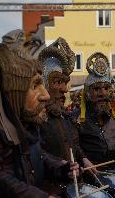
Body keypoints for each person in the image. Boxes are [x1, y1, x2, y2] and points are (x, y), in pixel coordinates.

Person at [0, 31, 79, 198]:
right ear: (16, 91)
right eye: (36, 85)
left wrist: (60, 168)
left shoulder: (25, 120)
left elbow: (36, 154)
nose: (46, 95)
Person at [39, 37, 97, 189]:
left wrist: (84, 159)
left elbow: (74, 145)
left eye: (65, 82)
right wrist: (60, 166)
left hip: (74, 187)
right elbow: (35, 153)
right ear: (44, 84)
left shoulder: (65, 116)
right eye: (58, 82)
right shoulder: (35, 119)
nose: (65, 89)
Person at [79, 52, 115, 171]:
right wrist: (83, 159)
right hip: (92, 176)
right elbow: (75, 146)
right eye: (97, 89)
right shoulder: (78, 116)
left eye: (106, 88)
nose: (102, 93)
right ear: (88, 93)